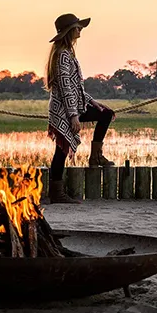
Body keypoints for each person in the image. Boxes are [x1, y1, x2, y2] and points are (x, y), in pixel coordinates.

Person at [46, 13, 115, 204]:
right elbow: (66, 87)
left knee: (105, 114)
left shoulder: (67, 53)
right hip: (65, 109)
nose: (80, 30)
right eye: (77, 27)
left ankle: (95, 156)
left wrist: (93, 102)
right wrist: (73, 116)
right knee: (61, 149)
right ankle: (57, 192)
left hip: (72, 106)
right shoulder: (62, 56)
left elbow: (76, 87)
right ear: (69, 31)